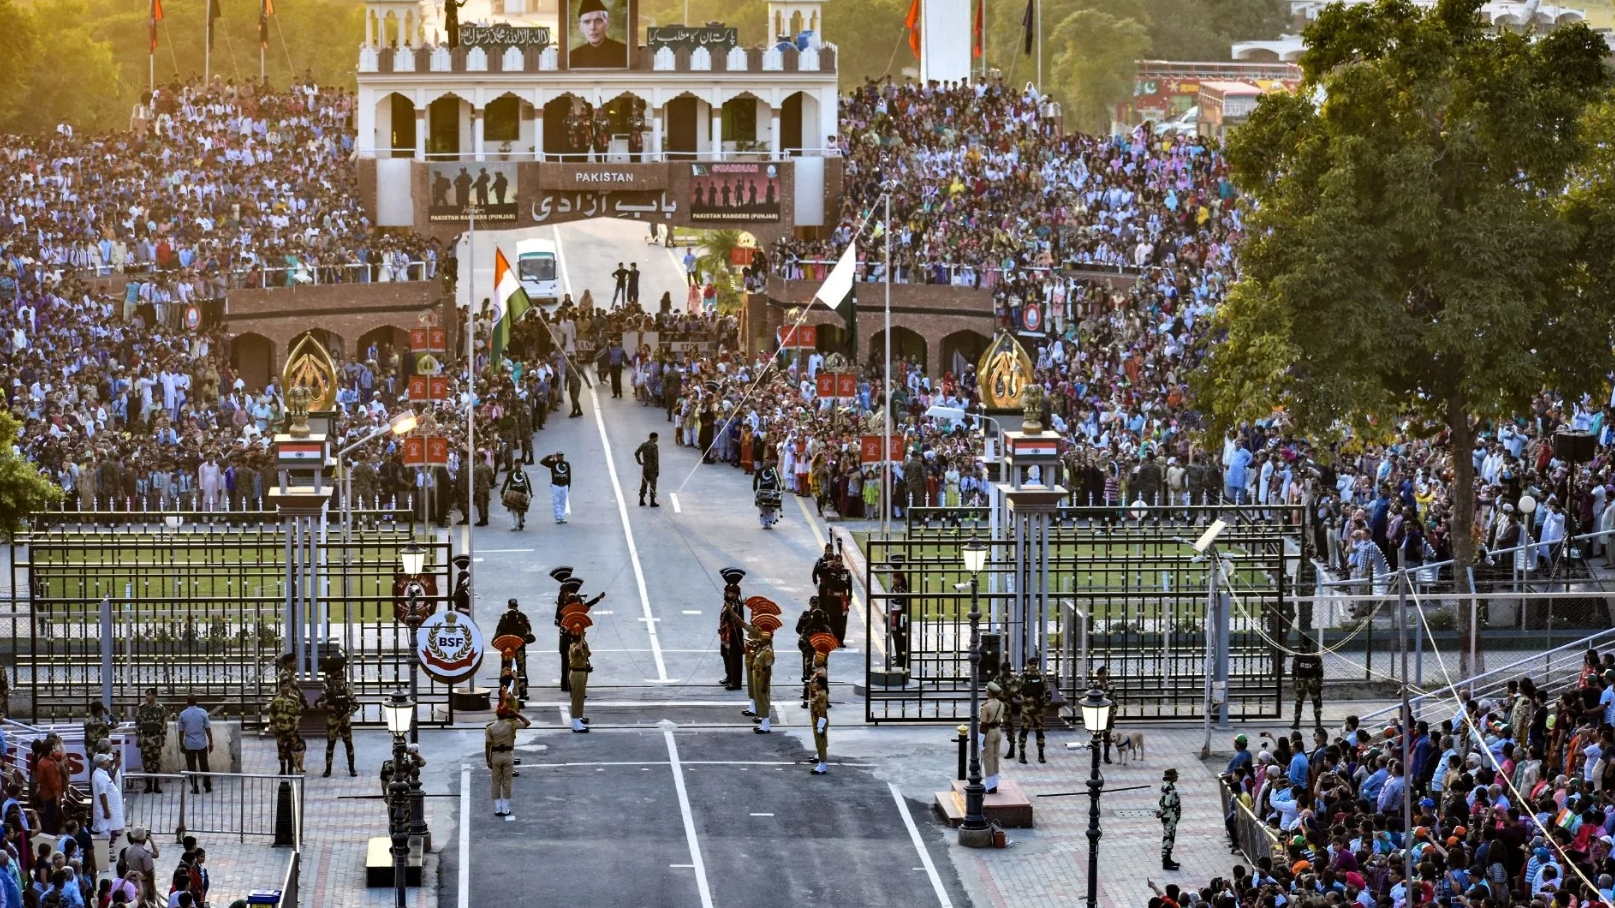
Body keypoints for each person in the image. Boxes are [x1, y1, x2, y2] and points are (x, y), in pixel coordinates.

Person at [485, 701, 530, 818]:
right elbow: (527, 723)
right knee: (507, 782)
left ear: (496, 714)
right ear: (506, 714)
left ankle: (497, 808)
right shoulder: (512, 725)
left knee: (496, 782)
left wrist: (488, 759)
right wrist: (516, 714)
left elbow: (488, 745)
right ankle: (505, 808)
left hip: (495, 756)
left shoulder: (490, 728)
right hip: (508, 755)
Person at [314, 665, 358, 777]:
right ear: (332, 680)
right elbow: (317, 703)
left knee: (348, 744)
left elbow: (356, 704)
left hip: (345, 721)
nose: (338, 681)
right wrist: (328, 707)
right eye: (336, 679)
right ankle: (328, 769)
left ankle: (352, 768)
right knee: (330, 745)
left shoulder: (347, 691)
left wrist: (348, 713)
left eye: (340, 679)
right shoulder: (328, 692)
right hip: (333, 721)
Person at [495, 599, 535, 700]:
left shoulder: (504, 618)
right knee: (520, 671)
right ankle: (522, 693)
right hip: (519, 650)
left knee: (506, 671)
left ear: (508, 606)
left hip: (507, 651)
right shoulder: (521, 617)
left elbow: (497, 634)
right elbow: (529, 632)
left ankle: (504, 692)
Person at [569, 0, 627, 68]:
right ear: (581, 27)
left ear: (607, 24)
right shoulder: (572, 57)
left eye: (598, 21)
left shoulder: (624, 53)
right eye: (587, 22)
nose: (592, 27)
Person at [176, 695, 214, 793]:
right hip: (201, 743)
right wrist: (211, 741)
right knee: (204, 765)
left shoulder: (183, 714)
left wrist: (181, 744)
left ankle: (195, 788)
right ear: (196, 701)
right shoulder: (203, 713)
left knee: (191, 767)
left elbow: (181, 731)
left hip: (189, 744)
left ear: (187, 702)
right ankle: (208, 786)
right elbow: (207, 729)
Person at [268, 682, 305, 775]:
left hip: (291, 729)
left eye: (287, 686)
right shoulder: (276, 699)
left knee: (291, 750)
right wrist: (273, 725)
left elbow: (298, 714)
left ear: (290, 687)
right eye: (283, 686)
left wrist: (296, 726)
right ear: (280, 687)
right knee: (281, 750)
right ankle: (282, 769)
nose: (285, 688)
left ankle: (290, 769)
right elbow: (272, 713)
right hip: (280, 729)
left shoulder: (295, 699)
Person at [1017, 659, 1049, 764]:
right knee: (1024, 731)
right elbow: (1016, 692)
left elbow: (1048, 693)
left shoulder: (1042, 678)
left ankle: (1041, 754)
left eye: (1035, 664)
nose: (1034, 666)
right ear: (1027, 665)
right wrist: (1025, 699)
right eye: (1031, 664)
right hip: (1026, 709)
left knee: (1039, 732)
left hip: (1038, 709)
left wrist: (1044, 708)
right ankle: (1022, 754)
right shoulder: (1023, 678)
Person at [134, 690, 166, 792]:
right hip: (145, 737)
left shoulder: (160, 708)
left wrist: (163, 738)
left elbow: (164, 724)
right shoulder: (141, 708)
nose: (147, 697)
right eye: (146, 695)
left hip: (156, 737)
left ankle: (156, 785)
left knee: (156, 762)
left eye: (149, 695)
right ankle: (148, 785)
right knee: (146, 762)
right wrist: (139, 738)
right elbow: (137, 724)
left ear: (154, 696)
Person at [90, 753, 123, 849]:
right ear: (104, 762)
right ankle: (104, 853)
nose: (109, 762)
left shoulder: (101, 773)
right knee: (104, 835)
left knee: (107, 835)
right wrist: (106, 811)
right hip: (104, 812)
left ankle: (107, 852)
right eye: (108, 761)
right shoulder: (100, 776)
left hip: (108, 809)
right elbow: (102, 795)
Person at [1292, 635, 1325, 731]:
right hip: (1313, 681)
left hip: (1301, 680)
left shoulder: (1298, 655)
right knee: (1316, 701)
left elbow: (1294, 669)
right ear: (1311, 644)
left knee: (1299, 701)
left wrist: (1294, 681)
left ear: (1302, 643)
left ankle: (1296, 723)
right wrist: (1320, 682)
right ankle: (1318, 724)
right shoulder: (1315, 655)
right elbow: (1320, 670)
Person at [981, 682, 1006, 794]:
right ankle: (995, 783)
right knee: (995, 757)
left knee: (988, 758)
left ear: (989, 692)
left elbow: (983, 724)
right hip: (998, 731)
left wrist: (980, 738)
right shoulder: (1001, 704)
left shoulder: (986, 706)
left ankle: (990, 785)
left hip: (989, 732)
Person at [888, 554, 911, 670]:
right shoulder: (893, 589)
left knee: (901, 640)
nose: (894, 581)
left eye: (896, 579)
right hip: (894, 617)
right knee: (895, 639)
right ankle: (897, 657)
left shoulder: (903, 590)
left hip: (901, 618)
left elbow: (901, 603)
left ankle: (901, 661)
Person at [567, 628, 592, 733]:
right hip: (576, 674)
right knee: (577, 699)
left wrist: (583, 640)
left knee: (580, 698)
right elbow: (577, 650)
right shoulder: (574, 647)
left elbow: (588, 654)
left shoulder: (581, 645)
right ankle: (575, 724)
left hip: (581, 673)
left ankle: (578, 720)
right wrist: (581, 639)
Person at [1157, 767, 1182, 871]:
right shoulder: (1170, 789)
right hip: (1170, 816)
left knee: (1169, 837)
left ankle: (1168, 859)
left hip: (1169, 816)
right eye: (1175, 776)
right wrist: (1162, 812)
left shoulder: (1166, 786)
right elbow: (1167, 803)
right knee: (1169, 838)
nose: (1177, 777)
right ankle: (1166, 861)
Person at [751, 630, 775, 733]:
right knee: (759, 700)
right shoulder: (761, 650)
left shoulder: (767, 652)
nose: (759, 640)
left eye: (761, 638)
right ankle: (763, 723)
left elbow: (768, 669)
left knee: (764, 700)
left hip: (762, 679)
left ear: (765, 640)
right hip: (758, 678)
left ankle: (766, 726)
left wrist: (765, 685)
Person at [540, 452, 572, 523]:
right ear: (556, 457)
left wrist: (568, 485)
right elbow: (542, 462)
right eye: (559, 456)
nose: (561, 457)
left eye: (562, 456)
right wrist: (550, 456)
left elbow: (569, 475)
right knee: (556, 502)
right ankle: (558, 517)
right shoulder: (553, 464)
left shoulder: (566, 464)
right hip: (556, 485)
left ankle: (562, 517)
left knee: (563, 502)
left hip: (564, 485)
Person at [499, 463, 532, 530]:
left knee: (521, 509)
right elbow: (506, 482)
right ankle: (514, 524)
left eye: (519, 466)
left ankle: (520, 523)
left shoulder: (524, 473)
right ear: (515, 465)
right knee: (512, 509)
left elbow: (527, 483)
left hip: (522, 493)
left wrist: (530, 492)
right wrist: (502, 491)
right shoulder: (511, 473)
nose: (518, 467)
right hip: (512, 494)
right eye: (517, 466)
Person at [809, 673, 830, 775]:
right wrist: (813, 678)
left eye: (816, 682)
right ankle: (821, 759)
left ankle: (822, 765)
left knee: (820, 743)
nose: (814, 684)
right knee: (820, 742)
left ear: (821, 684)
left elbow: (822, 710)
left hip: (819, 721)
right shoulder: (818, 691)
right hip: (816, 719)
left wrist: (820, 725)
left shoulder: (821, 695)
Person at [634, 432, 660, 507]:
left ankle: (641, 499)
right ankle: (652, 501)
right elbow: (656, 458)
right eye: (656, 438)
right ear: (654, 438)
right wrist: (657, 469)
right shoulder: (654, 446)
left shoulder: (644, 444)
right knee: (653, 484)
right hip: (652, 467)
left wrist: (640, 462)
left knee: (644, 483)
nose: (657, 439)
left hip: (645, 467)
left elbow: (636, 453)